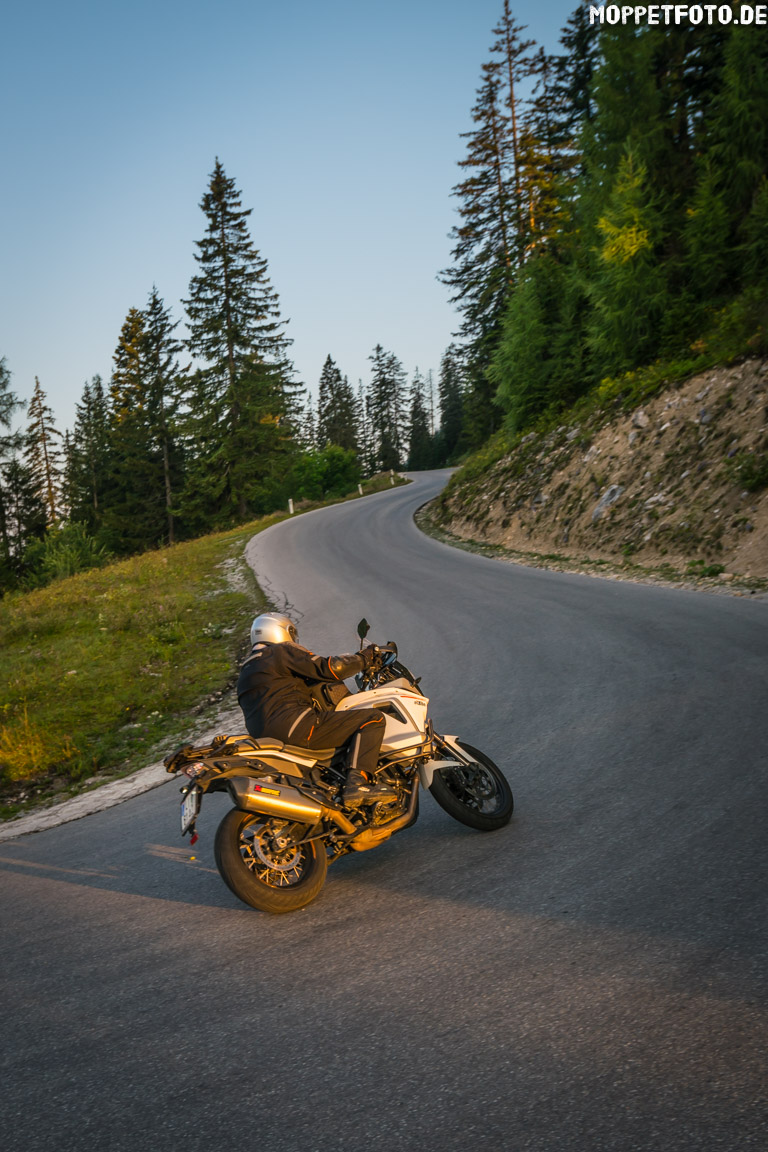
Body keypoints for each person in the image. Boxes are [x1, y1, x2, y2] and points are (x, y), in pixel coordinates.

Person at [236, 612, 395, 807]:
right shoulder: (280, 651)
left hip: (267, 740)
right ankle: (357, 784)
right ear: (281, 631)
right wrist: (365, 657)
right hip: (298, 727)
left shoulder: (246, 670)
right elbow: (331, 668)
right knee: (373, 719)